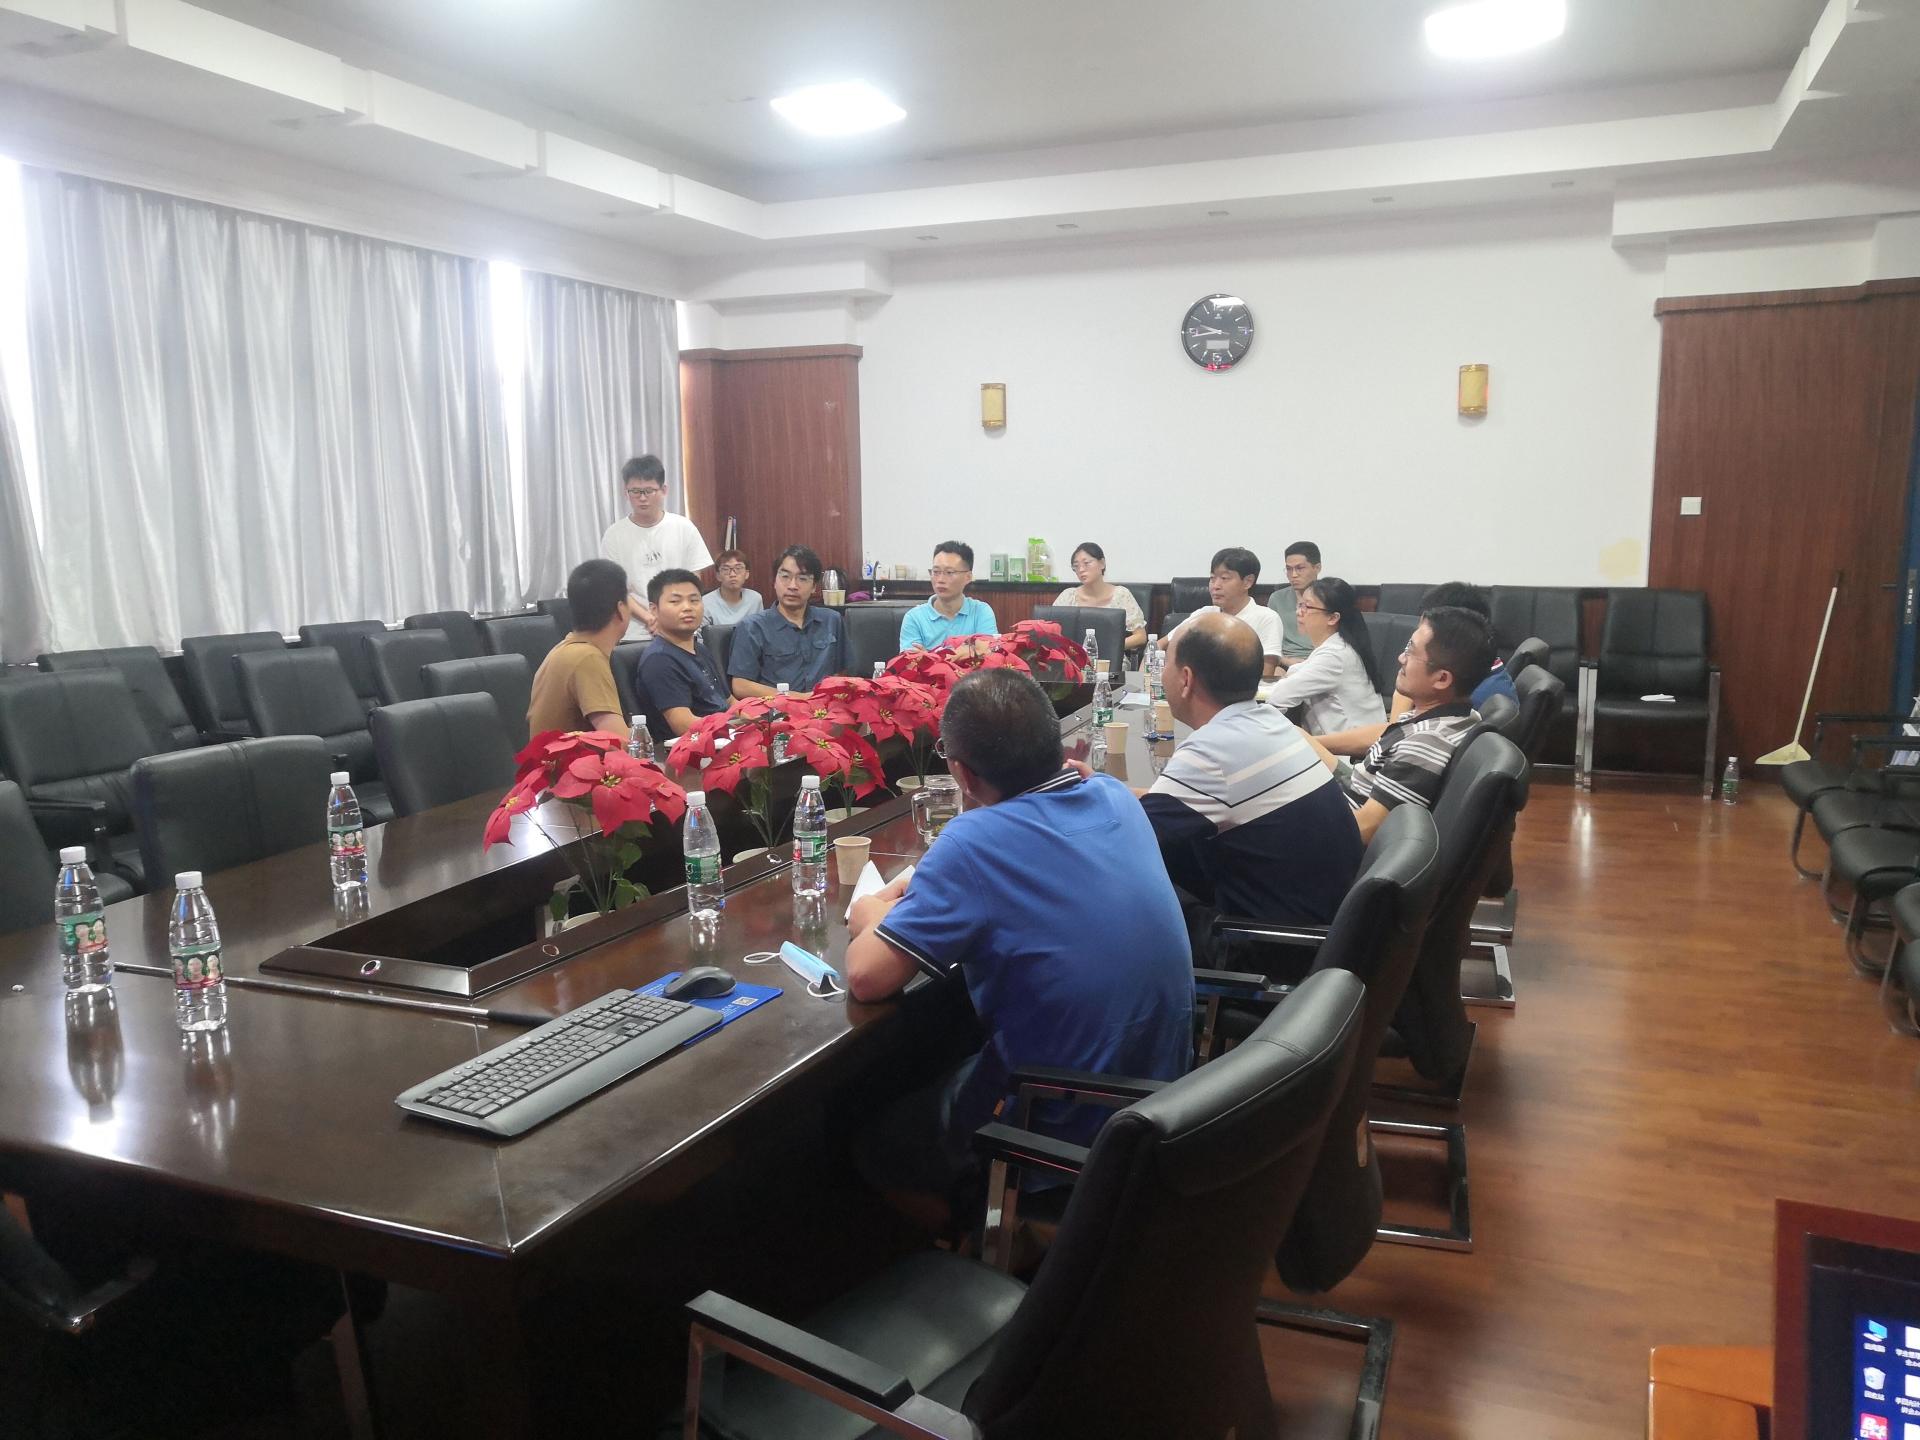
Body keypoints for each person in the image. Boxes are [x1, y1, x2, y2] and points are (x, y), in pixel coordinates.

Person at [844, 668, 1194, 1229]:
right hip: (1161, 1093)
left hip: (1056, 1116)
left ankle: (1001, 1241)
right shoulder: (1113, 795)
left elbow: (866, 977)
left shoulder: (972, 844)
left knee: (872, 1141)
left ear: (961, 773)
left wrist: (871, 913)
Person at [1140, 614, 1362, 963]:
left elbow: (1126, 837)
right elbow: (1172, 805)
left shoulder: (1211, 752)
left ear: (1186, 679)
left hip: (1265, 946)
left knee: (1119, 883)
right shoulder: (1270, 722)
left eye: (1166, 662)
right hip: (1324, 930)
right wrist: (1109, 790)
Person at [1305, 606, 1493, 844]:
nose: (1401, 658)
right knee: (1296, 744)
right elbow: (1388, 734)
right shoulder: (1457, 715)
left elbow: (1366, 829)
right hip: (1351, 791)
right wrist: (1309, 742)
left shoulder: (1428, 742)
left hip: (1334, 832)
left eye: (1410, 651)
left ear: (1442, 678)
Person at [598, 455, 713, 640]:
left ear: (664, 490)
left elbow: (693, 580)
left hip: (679, 628)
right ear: (625, 492)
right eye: (635, 491)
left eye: (649, 491)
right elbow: (616, 590)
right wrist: (650, 619)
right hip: (633, 634)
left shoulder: (684, 527)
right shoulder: (614, 535)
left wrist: (670, 619)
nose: (642, 498)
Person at [1264, 576, 1387, 734]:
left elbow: (1279, 696)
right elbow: (1297, 671)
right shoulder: (1338, 646)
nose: (1298, 612)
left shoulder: (1334, 655)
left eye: (1307, 606)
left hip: (1352, 747)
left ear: (1332, 618)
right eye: (1300, 604)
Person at [526, 559, 631, 737]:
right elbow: (618, 740)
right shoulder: (587, 658)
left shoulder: (566, 650)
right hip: (568, 757)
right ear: (620, 609)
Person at [727, 544, 847, 696]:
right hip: (777, 708)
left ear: (814, 587)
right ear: (774, 582)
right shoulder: (752, 627)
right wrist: (799, 698)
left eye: (802, 578)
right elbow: (740, 686)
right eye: (785, 577)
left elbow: (844, 671)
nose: (792, 586)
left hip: (825, 707)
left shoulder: (832, 620)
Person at [631, 568, 730, 743]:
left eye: (694, 600)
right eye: (675, 601)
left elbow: (729, 701)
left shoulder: (701, 649)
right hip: (694, 748)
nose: (687, 607)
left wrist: (754, 717)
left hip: (724, 736)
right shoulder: (659, 660)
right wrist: (734, 726)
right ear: (654, 609)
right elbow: (683, 725)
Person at [1161, 547, 1285, 677]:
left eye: (1224, 578)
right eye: (1212, 578)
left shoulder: (1267, 618)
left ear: (1248, 582)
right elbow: (1160, 645)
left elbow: (1266, 675)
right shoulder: (1204, 614)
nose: (1215, 586)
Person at [898, 541, 998, 652]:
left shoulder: (981, 612)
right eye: (936, 572)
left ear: (968, 577)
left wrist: (930, 657)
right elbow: (911, 660)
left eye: (949, 572)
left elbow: (987, 655)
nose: (940, 580)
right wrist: (968, 653)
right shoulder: (914, 618)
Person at [1053, 541, 1146, 655]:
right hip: (1075, 658)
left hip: (1112, 659)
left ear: (1102, 563)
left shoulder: (1121, 594)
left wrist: (1107, 647)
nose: (1081, 569)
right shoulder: (1068, 596)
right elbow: (1049, 630)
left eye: (1086, 563)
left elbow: (1140, 637)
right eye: (1076, 566)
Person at [1273, 541, 1322, 669]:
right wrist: (1285, 661)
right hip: (1284, 662)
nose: (1293, 575)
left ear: (1317, 568)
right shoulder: (1277, 599)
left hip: (1320, 661)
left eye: (1300, 568)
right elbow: (1270, 643)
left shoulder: (1329, 598)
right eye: (1289, 569)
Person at [702, 550, 763, 626]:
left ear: (747, 574)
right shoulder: (705, 602)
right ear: (718, 576)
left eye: (738, 568)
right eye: (726, 569)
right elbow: (698, 632)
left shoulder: (755, 599)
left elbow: (760, 629)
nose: (732, 574)